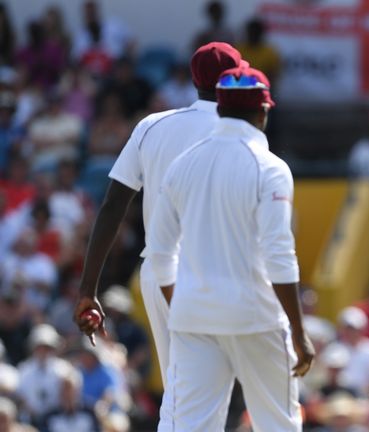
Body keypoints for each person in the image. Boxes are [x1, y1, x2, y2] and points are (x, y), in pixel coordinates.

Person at [146, 65, 314, 431]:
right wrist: (299, 334)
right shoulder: (270, 168)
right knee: (279, 425)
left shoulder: (182, 164)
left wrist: (186, 306)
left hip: (193, 316)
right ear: (263, 111)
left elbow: (159, 253)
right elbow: (279, 256)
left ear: (219, 109)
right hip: (255, 317)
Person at [72, 42, 245, 386]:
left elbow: (112, 207)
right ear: (234, 79)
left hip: (157, 272)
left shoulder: (152, 125)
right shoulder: (243, 131)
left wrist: (88, 289)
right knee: (206, 395)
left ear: (195, 81)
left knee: (180, 393)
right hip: (211, 275)